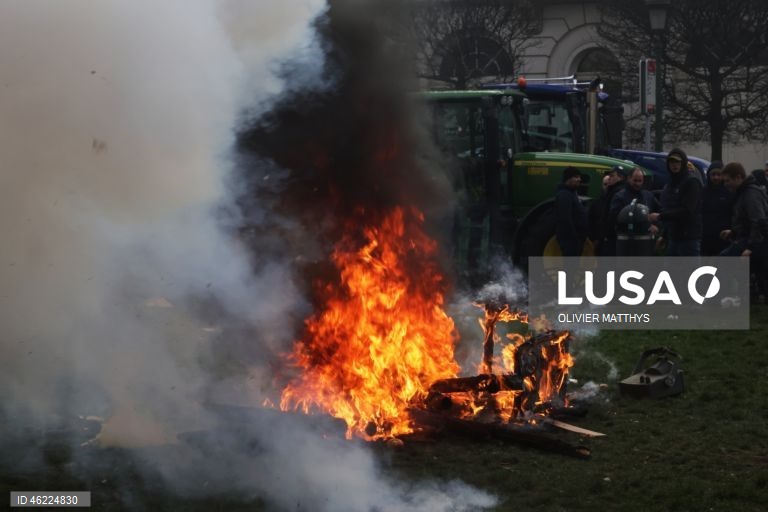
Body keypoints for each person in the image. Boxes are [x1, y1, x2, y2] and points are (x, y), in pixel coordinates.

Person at [719, 162, 768, 297]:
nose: (726, 184)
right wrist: (733, 231)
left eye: (728, 180)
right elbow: (749, 221)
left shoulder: (750, 194)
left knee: (724, 261)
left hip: (756, 240)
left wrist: (750, 247)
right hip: (753, 239)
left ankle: (722, 297)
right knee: (759, 273)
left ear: (738, 177)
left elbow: (758, 221)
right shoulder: (745, 192)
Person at [648, 148, 703, 256]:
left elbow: (687, 210)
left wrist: (660, 216)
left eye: (678, 162)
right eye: (672, 162)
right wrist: (665, 235)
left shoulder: (691, 182)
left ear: (683, 163)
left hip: (688, 238)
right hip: (673, 237)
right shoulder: (670, 184)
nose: (675, 165)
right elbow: (670, 209)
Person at [609, 167, 660, 256]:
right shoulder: (620, 197)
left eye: (640, 181)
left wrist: (657, 226)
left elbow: (660, 212)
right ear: (629, 179)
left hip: (645, 245)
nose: (637, 184)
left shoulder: (648, 196)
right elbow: (613, 218)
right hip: (626, 244)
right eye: (635, 180)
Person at [588, 165, 626, 256]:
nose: (610, 178)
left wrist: (604, 235)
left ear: (620, 177)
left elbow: (610, 216)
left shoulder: (616, 193)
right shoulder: (612, 192)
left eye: (612, 176)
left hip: (610, 238)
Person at [555, 166, 588, 257]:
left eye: (579, 177)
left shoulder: (571, 193)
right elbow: (565, 219)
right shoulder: (564, 196)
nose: (579, 179)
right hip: (571, 242)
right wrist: (575, 239)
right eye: (576, 177)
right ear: (568, 179)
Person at [701, 161, 732, 256]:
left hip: (724, 237)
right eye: (713, 174)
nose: (716, 177)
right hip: (705, 237)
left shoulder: (729, 191)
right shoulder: (703, 191)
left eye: (719, 174)